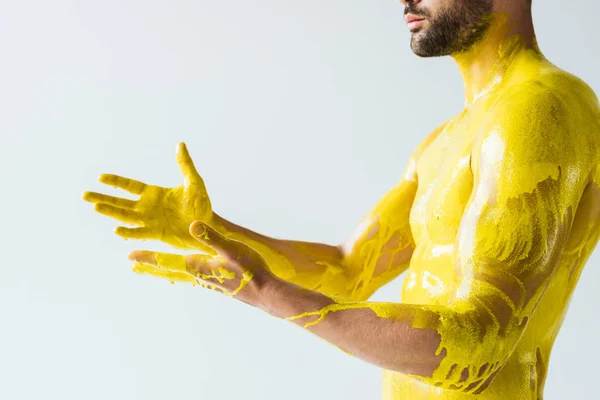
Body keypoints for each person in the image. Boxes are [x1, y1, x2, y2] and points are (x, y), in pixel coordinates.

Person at [83, 0, 600, 398]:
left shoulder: (540, 111)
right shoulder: (447, 138)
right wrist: (211, 230)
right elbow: (348, 271)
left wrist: (271, 296)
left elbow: (480, 345)